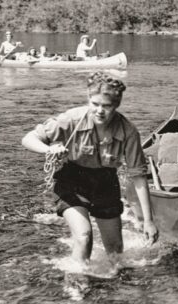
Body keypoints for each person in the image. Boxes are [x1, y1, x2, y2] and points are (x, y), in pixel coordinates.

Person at [22, 72, 159, 267]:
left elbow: (138, 176)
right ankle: (77, 286)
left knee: (116, 253)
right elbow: (28, 139)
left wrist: (148, 220)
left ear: (117, 105)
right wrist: (49, 149)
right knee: (84, 236)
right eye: (95, 104)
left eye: (106, 106)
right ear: (88, 99)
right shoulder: (71, 118)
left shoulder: (128, 131)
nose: (100, 111)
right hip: (71, 180)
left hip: (105, 184)